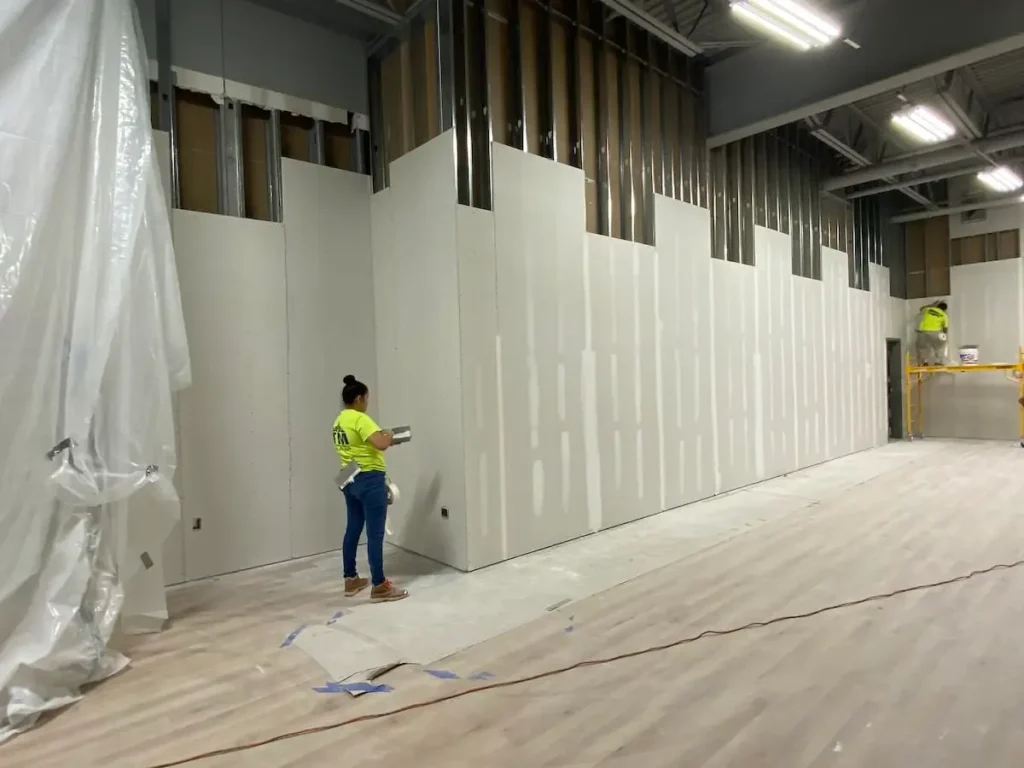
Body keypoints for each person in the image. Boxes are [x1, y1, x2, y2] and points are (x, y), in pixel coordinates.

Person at [332, 375, 408, 602]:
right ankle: (380, 585)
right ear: (358, 398)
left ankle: (351, 579)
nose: (367, 403)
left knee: (353, 528)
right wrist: (391, 434)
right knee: (375, 533)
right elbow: (381, 444)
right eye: (366, 398)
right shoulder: (360, 419)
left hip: (349, 479)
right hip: (369, 478)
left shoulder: (339, 421)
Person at [916, 300, 949, 366]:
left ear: (937, 306)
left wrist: (931, 305)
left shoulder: (928, 310)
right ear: (944, 309)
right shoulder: (944, 315)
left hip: (923, 331)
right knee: (939, 346)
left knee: (922, 347)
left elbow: (921, 309)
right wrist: (943, 334)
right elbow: (945, 329)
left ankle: (924, 362)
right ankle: (938, 362)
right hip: (935, 332)